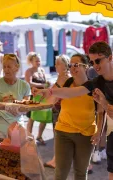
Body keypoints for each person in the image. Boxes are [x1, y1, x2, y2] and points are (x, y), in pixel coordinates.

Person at [32, 41, 113, 180]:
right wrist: (48, 91)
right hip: (65, 131)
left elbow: (103, 112)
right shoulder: (96, 82)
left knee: (81, 173)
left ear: (110, 58)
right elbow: (72, 92)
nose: (96, 65)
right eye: (93, 62)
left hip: (86, 133)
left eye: (98, 60)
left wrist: (99, 130)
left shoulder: (96, 83)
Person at [0, 54, 31, 138]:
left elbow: (26, 109)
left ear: (17, 68)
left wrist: (16, 105)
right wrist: (2, 104)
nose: (6, 70)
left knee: (16, 151)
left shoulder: (25, 85)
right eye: (4, 67)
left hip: (17, 126)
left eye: (9, 67)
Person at [44, 54, 70, 168]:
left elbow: (52, 94)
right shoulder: (63, 77)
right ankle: (57, 159)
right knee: (59, 137)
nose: (55, 65)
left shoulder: (65, 78)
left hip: (62, 112)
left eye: (58, 63)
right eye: (56, 63)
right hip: (58, 111)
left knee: (60, 137)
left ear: (65, 65)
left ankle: (57, 161)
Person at [25, 52, 51, 145]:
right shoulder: (29, 71)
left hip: (43, 97)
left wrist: (48, 84)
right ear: (31, 61)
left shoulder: (42, 70)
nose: (38, 62)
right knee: (32, 118)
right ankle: (29, 137)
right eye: (36, 60)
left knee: (44, 118)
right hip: (34, 97)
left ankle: (39, 136)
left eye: (39, 60)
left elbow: (45, 82)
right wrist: (42, 85)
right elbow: (29, 83)